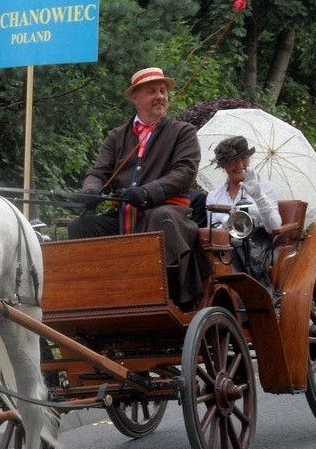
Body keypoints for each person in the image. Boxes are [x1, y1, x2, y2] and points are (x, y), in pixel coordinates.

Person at [68, 66, 207, 306]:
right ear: (136, 97)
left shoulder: (182, 132)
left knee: (161, 219)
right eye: (152, 91)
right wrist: (91, 190)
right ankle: (99, 296)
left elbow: (184, 173)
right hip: (124, 216)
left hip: (168, 212)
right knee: (81, 227)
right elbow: (97, 172)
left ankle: (167, 297)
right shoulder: (116, 136)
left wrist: (147, 192)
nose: (160, 97)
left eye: (163, 91)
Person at [206, 135, 282, 288]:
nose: (239, 164)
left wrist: (259, 196)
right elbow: (211, 233)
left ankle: (241, 292)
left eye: (244, 158)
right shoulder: (214, 196)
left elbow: (274, 226)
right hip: (222, 248)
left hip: (255, 248)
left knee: (234, 249)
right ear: (223, 166)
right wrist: (226, 225)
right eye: (233, 160)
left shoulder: (264, 187)